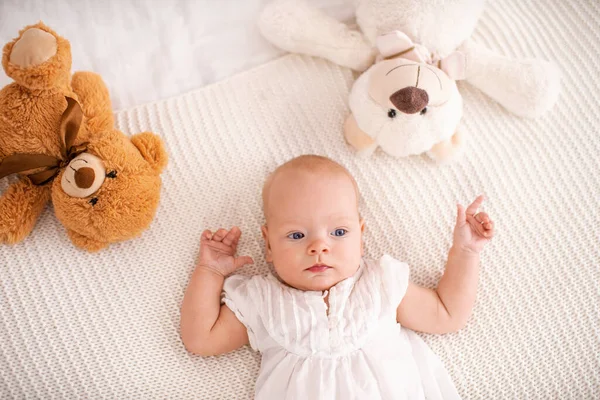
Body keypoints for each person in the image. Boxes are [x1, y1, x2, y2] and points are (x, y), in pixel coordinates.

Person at [180, 154, 495, 399]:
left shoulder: (379, 283)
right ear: (268, 245)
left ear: (360, 235)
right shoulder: (262, 300)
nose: (319, 246)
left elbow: (447, 313)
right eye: (296, 235)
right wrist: (209, 272)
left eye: (339, 232)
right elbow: (201, 339)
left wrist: (466, 252)